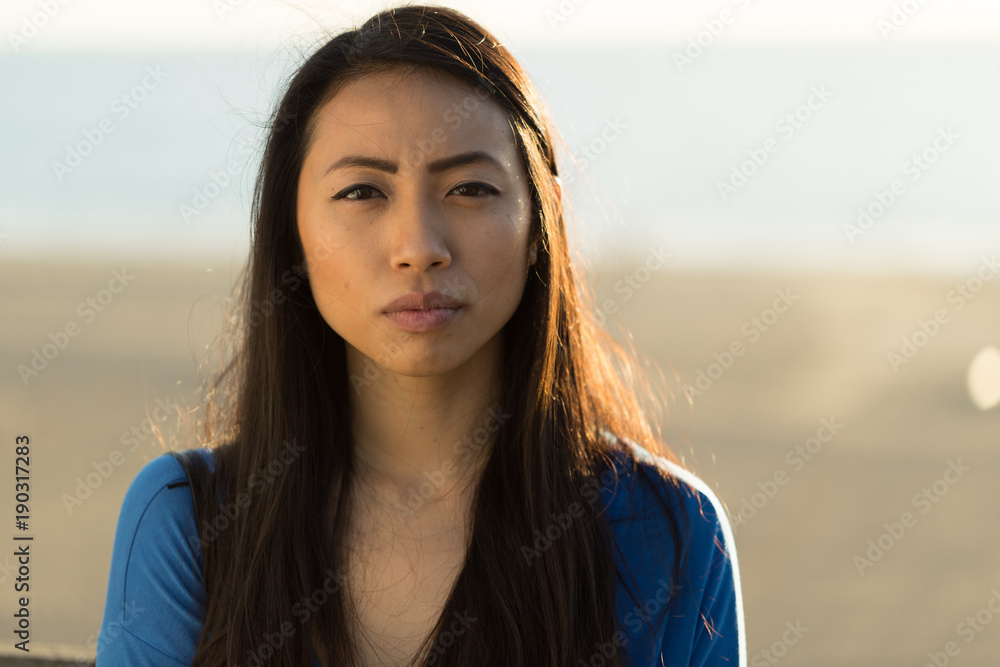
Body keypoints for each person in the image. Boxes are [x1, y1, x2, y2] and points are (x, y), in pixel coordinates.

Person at [96, 5, 745, 666]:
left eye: (469, 187)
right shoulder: (189, 521)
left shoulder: (668, 529)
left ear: (539, 223)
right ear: (292, 232)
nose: (417, 247)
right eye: (362, 192)